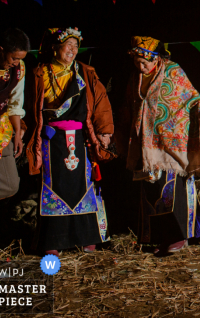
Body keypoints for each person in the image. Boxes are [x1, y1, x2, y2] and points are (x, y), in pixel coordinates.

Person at [118, 36, 200, 254]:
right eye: (137, 61)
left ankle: (180, 236)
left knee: (172, 190)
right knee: (152, 193)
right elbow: (129, 107)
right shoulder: (136, 78)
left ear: (157, 58)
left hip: (172, 144)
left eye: (145, 62)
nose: (141, 66)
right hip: (146, 147)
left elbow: (192, 99)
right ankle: (161, 237)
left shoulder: (173, 71)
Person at [25, 28, 114, 256]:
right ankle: (52, 241)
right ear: (55, 47)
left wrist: (104, 131)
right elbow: (30, 109)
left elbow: (101, 101)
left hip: (81, 140)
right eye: (68, 46)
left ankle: (88, 238)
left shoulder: (85, 72)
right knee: (54, 187)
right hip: (50, 142)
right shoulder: (38, 74)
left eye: (76, 46)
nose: (73, 51)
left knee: (82, 187)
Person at [0, 28, 28, 206]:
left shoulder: (18, 69)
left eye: (20, 59)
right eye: (14, 57)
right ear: (0, 50)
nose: (16, 62)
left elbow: (15, 103)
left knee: (11, 183)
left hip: (2, 129)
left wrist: (17, 133)